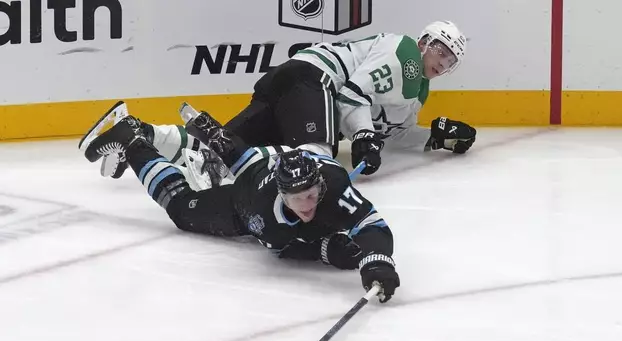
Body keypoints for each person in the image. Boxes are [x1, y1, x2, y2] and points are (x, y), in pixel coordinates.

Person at [80, 105, 401, 303]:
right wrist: (324, 249)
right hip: (245, 192)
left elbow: (372, 225)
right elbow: (281, 248)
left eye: (311, 194)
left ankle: (165, 134)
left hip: (282, 157)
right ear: (281, 193)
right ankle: (133, 141)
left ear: (319, 184)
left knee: (227, 154)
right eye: (297, 198)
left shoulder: (331, 185)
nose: (307, 204)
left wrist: (376, 260)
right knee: (181, 207)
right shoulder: (262, 212)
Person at [100, 21, 476, 179]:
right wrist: (361, 136)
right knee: (315, 162)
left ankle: (135, 136)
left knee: (224, 148)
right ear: (425, 41)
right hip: (311, 84)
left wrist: (432, 136)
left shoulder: (415, 94)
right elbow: (352, 94)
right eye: (441, 49)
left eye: (451, 59)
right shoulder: (405, 53)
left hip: (291, 85)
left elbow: (388, 133)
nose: (443, 61)